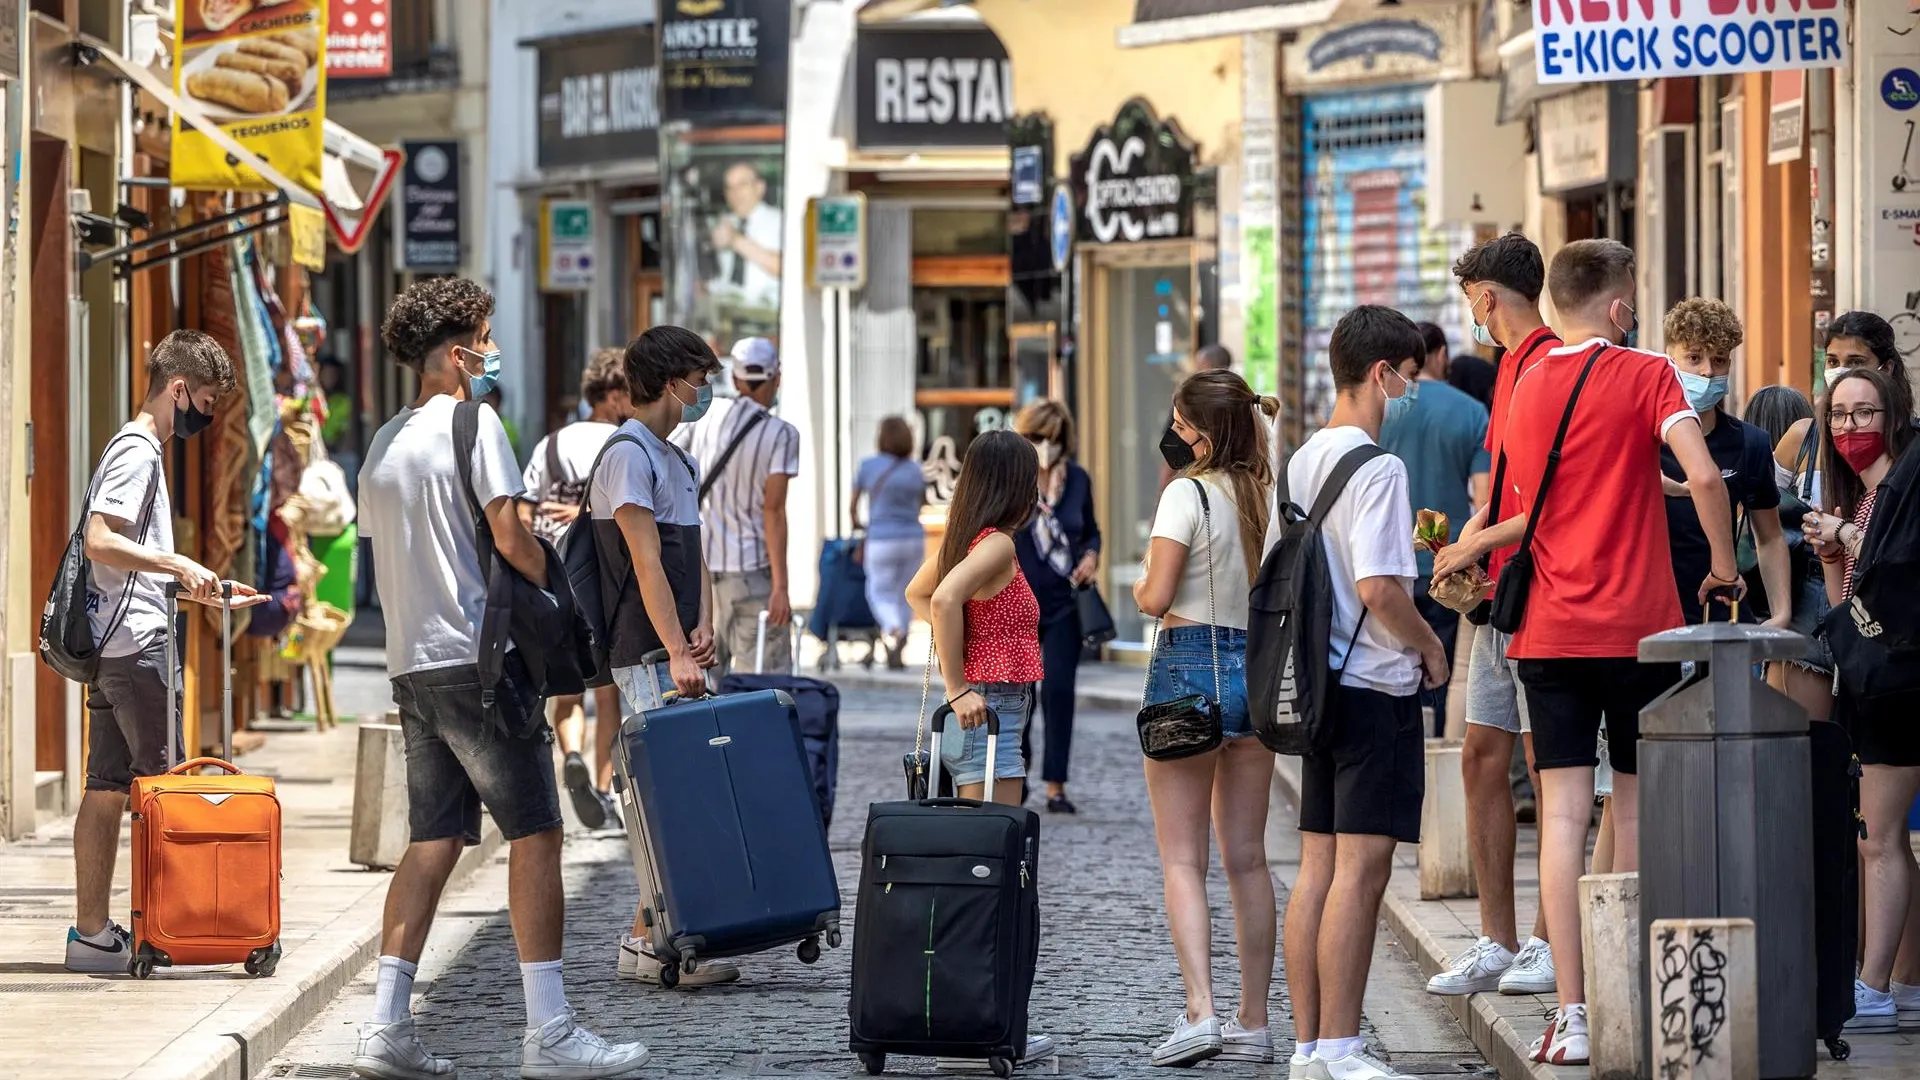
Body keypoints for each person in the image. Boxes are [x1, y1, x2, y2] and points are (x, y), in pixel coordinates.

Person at [355, 278, 647, 1078]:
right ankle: (548, 1031)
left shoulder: (383, 443)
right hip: (479, 661)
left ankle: (384, 1026)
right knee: (538, 834)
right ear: (457, 352)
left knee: (432, 841)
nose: (491, 354)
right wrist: (554, 587)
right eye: (484, 339)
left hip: (413, 666)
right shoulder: (472, 423)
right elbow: (510, 535)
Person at [1482, 240, 1738, 1065]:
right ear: (1621, 305)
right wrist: (1724, 570)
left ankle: (1573, 1011)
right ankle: (1632, 983)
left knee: (1561, 817)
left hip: (1549, 633)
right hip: (1638, 629)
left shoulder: (1525, 383)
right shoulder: (1646, 374)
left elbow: (1538, 503)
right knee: (1631, 811)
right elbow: (1703, 476)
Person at [64, 331, 265, 974]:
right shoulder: (139, 452)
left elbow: (126, 564)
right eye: (204, 399)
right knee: (163, 793)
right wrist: (176, 561)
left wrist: (199, 589)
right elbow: (100, 541)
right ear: (177, 390)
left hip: (117, 644)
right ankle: (169, 928)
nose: (204, 414)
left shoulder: (137, 449)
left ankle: (91, 937)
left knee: (106, 787)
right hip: (136, 651)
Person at [1283, 307, 1448, 1080]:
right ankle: (1345, 1046)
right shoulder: (1378, 468)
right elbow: (1381, 586)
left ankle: (1309, 1046)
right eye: (1408, 379)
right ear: (1381, 374)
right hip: (1374, 686)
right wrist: (1430, 643)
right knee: (1362, 869)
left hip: (1318, 686)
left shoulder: (1303, 458)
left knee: (1317, 867)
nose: (1409, 393)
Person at [1132, 371, 1281, 1067]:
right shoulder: (1265, 496)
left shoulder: (1183, 494)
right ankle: (1255, 1020)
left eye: (1177, 420)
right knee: (1248, 859)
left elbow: (1156, 596)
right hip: (1253, 669)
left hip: (1186, 664)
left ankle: (1201, 1011)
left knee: (1183, 859)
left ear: (1197, 430)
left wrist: (1138, 583)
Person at [1425, 233, 1558, 1001]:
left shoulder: (1541, 365)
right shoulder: (1507, 370)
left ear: (1486, 297)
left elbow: (1547, 499)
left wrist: (1477, 538)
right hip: (1500, 590)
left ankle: (1544, 939)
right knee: (1481, 757)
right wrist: (1472, 532)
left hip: (1543, 592)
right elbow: (1509, 485)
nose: (1468, 311)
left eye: (1469, 296)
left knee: (1547, 767)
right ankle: (1496, 938)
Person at [904, 429, 1058, 1068]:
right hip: (992, 710)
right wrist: (961, 682)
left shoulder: (973, 538)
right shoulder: (995, 544)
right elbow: (939, 598)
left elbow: (923, 594)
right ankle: (976, 1027)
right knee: (996, 875)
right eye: (1033, 475)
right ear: (1014, 484)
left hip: (994, 710)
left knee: (982, 869)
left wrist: (964, 648)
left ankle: (976, 1019)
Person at [591, 325, 730, 987]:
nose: (706, 391)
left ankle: (653, 938)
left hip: (678, 649)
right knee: (662, 801)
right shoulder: (628, 453)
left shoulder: (678, 459)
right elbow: (645, 562)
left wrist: (704, 624)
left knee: (683, 796)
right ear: (672, 381)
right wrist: (676, 647)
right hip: (645, 652)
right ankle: (654, 944)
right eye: (701, 379)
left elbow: (691, 555)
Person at [1804, 365, 1920, 1033]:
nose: (1851, 427)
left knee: (1879, 839)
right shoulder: (1869, 498)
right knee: (1883, 838)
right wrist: (1832, 549)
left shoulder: (1898, 496)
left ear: (1893, 415)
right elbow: (1851, 607)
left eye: (1865, 412)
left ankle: (1874, 984)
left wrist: (1847, 538)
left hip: (1899, 687)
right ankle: (1891, 980)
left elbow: (1893, 584)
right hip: (1873, 679)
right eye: (1840, 415)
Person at [519, 348, 633, 831]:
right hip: (599, 585)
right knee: (605, 695)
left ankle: (571, 754)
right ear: (612, 395)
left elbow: (522, 510)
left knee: (565, 694)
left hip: (550, 585)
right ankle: (604, 789)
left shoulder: (549, 444)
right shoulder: (621, 443)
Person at [1380, 321, 1489, 731]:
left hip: (1388, 570)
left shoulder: (1383, 410)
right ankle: (1444, 771)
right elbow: (1484, 499)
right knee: (1446, 676)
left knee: (1396, 679)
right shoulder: (1471, 411)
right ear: (1440, 355)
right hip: (1449, 569)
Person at [1658, 300, 1792, 627]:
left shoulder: (1750, 442)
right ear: (1669, 358)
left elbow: (1770, 536)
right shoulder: (1639, 439)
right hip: (1651, 616)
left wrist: (1781, 614)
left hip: (1722, 614)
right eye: (1694, 358)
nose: (1707, 371)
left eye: (1719, 360)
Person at [672, 337, 800, 675]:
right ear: (776, 378)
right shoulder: (781, 434)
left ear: (736, 379)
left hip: (700, 578)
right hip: (750, 575)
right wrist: (781, 588)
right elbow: (773, 511)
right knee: (759, 692)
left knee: (705, 692)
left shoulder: (702, 420)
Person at [1011, 400, 1102, 814]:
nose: (1043, 446)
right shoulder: (1014, 481)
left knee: (1060, 691)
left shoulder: (1077, 481)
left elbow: (1092, 532)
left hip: (1065, 602)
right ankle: (1019, 773)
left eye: (1050, 439)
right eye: (1035, 437)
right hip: (1018, 602)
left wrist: (1091, 556)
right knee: (1021, 695)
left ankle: (1056, 785)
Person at [1744, 385, 1833, 718]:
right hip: (1793, 610)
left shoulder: (1758, 456)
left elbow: (1756, 531)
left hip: (1772, 608)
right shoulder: (1801, 440)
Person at [850, 416, 925, 669]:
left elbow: (853, 506)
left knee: (878, 591)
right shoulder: (915, 469)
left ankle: (892, 628)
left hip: (881, 538)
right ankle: (900, 634)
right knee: (906, 593)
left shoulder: (868, 466)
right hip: (913, 537)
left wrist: (859, 525)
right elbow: (920, 502)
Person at [1158, 344, 1234, 491]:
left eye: (1199, 365)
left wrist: (1163, 493)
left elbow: (1171, 456)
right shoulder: (1238, 402)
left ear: (1208, 366)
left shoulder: (1192, 402)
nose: (1194, 371)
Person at [708, 162, 782, 309]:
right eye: (729, 187)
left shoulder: (779, 221)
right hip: (730, 315)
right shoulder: (724, 222)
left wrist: (735, 240)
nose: (735, 192)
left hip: (767, 316)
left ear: (760, 187)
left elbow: (782, 267)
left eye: (742, 185)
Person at [1821, 311, 1918, 406]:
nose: (1840, 372)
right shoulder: (1812, 422)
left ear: (1886, 369)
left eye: (1856, 363)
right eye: (1833, 362)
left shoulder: (1908, 422)